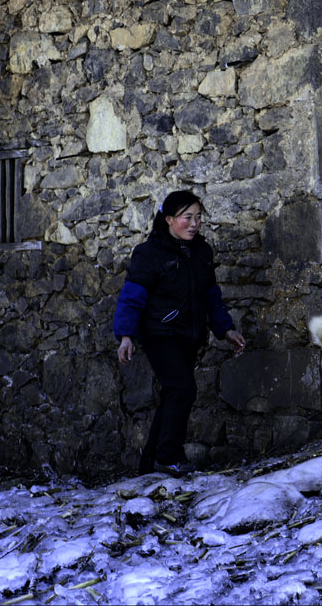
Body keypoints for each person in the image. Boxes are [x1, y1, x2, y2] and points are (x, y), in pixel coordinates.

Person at [113, 190, 245, 476]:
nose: (195, 223)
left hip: (190, 335)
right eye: (188, 217)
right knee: (182, 389)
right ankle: (169, 456)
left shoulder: (201, 251)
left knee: (174, 393)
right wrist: (126, 336)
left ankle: (151, 461)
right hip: (160, 333)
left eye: (198, 217)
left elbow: (211, 296)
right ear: (170, 219)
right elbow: (132, 296)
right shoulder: (150, 253)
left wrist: (226, 330)